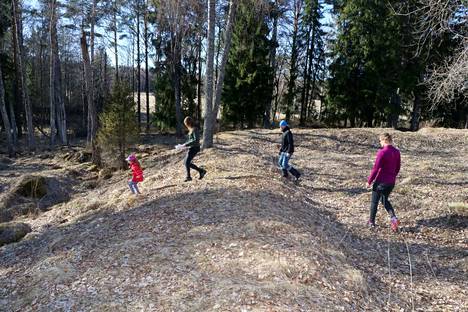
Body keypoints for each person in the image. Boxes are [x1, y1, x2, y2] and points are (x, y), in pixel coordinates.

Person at [367, 132, 401, 231]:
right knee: (384, 200)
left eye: (380, 141)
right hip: (391, 182)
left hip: (380, 182)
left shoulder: (382, 152)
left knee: (374, 202)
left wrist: (369, 181)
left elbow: (375, 168)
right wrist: (392, 176)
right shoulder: (396, 152)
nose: (380, 143)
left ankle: (371, 222)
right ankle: (394, 219)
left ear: (384, 140)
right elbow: (398, 167)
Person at [182, 117, 206, 182]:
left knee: (187, 162)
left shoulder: (195, 129)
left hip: (195, 148)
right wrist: (184, 145)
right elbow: (191, 140)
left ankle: (188, 177)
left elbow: (196, 140)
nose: (186, 125)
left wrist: (186, 145)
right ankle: (201, 171)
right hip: (192, 147)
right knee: (185, 162)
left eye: (186, 124)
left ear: (189, 123)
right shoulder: (191, 129)